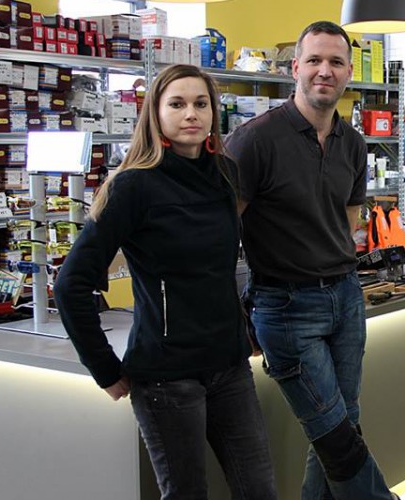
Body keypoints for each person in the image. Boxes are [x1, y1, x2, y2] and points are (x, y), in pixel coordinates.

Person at [55, 64, 278, 500]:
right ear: (155, 114)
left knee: (259, 490)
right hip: (166, 378)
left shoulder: (225, 174)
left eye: (200, 104)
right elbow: (71, 284)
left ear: (213, 113)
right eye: (177, 104)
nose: (190, 113)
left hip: (229, 367)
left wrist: (246, 329)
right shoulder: (132, 187)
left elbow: (223, 268)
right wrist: (104, 369)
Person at [225, 21, 398, 500]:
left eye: (336, 62)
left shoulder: (354, 143)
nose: (326, 71)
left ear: (349, 73)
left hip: (346, 297)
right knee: (334, 432)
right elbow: (223, 233)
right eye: (315, 60)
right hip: (284, 306)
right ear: (295, 68)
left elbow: (347, 224)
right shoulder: (253, 140)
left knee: (342, 424)